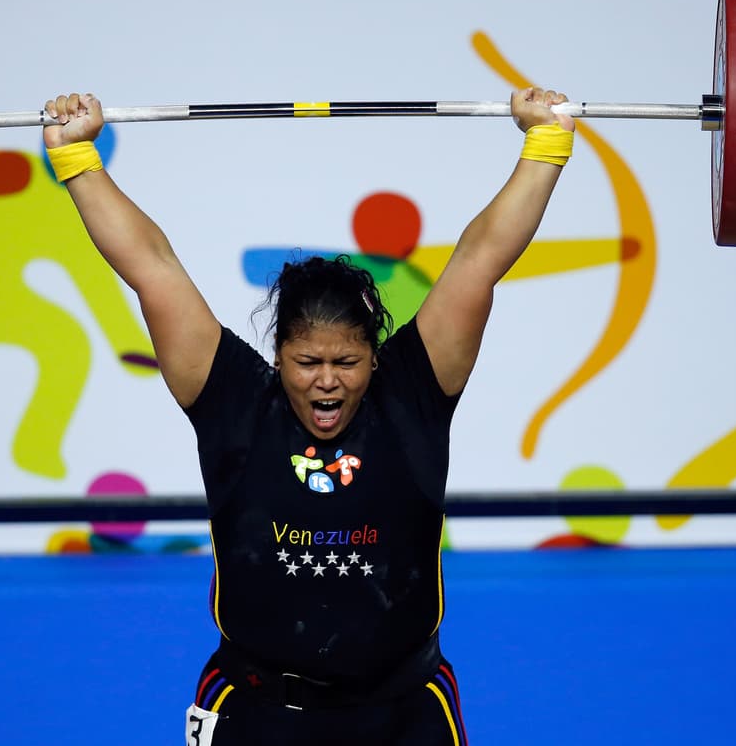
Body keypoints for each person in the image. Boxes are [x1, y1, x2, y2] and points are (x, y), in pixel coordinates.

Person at [43, 87, 575, 746]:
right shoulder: (235, 399)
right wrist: (77, 158)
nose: (327, 381)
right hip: (256, 710)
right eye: (308, 361)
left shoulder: (412, 391)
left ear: (373, 357)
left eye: (347, 362)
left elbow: (481, 258)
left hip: (403, 710)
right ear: (278, 354)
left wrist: (543, 145)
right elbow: (152, 267)